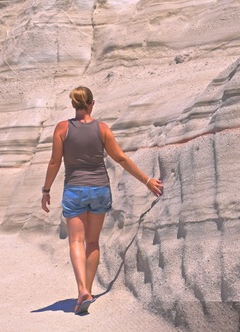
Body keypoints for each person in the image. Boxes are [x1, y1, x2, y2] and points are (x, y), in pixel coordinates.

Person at [41, 86, 163, 314]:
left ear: (73, 105)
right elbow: (121, 159)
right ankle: (87, 289)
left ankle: (81, 290)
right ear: (91, 104)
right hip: (100, 190)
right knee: (93, 242)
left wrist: (46, 190)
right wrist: (147, 181)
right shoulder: (103, 129)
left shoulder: (62, 128)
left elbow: (55, 163)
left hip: (75, 190)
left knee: (76, 241)